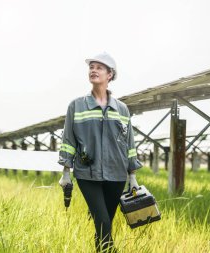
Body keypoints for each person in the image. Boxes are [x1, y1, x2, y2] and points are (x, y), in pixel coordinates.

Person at [58, 53, 142, 252]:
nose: (93, 70)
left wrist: (133, 176)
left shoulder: (122, 109)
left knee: (105, 224)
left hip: (117, 174)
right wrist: (66, 172)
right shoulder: (76, 106)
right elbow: (68, 140)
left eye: (99, 67)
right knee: (103, 221)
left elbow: (129, 144)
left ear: (110, 74)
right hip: (88, 173)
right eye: (91, 67)